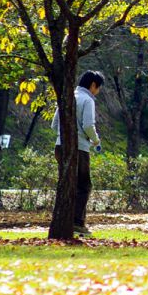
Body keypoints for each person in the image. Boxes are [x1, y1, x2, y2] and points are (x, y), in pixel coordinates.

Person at [52, 71, 104, 237]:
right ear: (93, 85)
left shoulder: (67, 96)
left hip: (60, 146)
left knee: (66, 184)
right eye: (98, 88)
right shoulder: (87, 100)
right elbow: (88, 125)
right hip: (79, 149)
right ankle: (77, 222)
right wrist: (96, 141)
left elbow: (54, 125)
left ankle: (63, 220)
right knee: (84, 185)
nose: (98, 91)